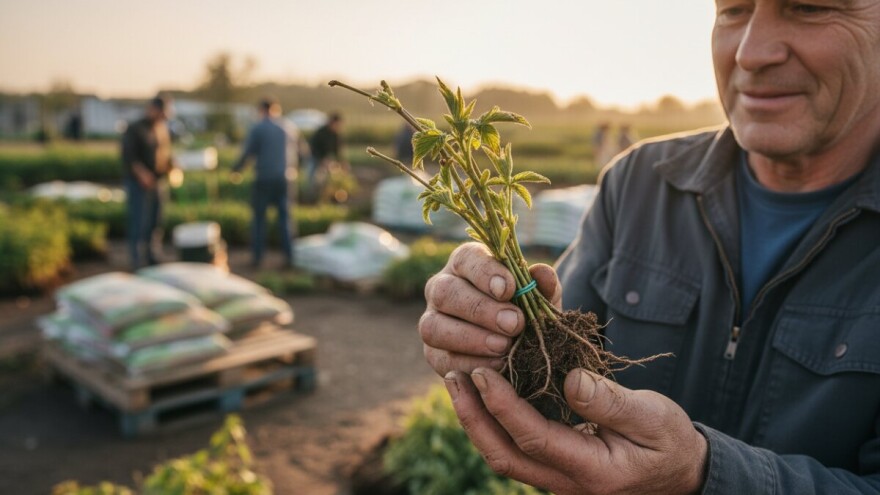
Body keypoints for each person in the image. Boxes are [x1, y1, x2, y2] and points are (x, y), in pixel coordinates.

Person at [418, 2, 880, 493]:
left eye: (810, 7)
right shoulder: (637, 184)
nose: (749, 53)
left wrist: (702, 477)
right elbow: (556, 396)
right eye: (733, 10)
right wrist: (496, 344)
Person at [232, 97, 298, 268]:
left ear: (261, 110)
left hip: (264, 178)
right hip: (285, 178)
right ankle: (289, 257)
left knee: (259, 219)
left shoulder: (258, 128)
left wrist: (236, 169)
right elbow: (300, 152)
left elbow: (248, 152)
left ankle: (258, 258)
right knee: (285, 219)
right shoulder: (288, 127)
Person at [120, 95, 177, 269]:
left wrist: (172, 166)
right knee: (138, 221)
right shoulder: (135, 129)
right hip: (139, 183)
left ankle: (153, 254)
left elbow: (166, 153)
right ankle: (136, 259)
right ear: (152, 109)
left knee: (155, 221)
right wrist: (142, 175)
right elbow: (129, 157)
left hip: (157, 181)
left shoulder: (161, 129)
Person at [305, 112, 344, 202]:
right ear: (331, 122)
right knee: (312, 178)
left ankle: (324, 197)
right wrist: (322, 159)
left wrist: (341, 162)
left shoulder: (336, 135)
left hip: (326, 159)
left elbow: (337, 150)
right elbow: (313, 147)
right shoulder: (321, 132)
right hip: (315, 158)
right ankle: (310, 198)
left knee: (326, 178)